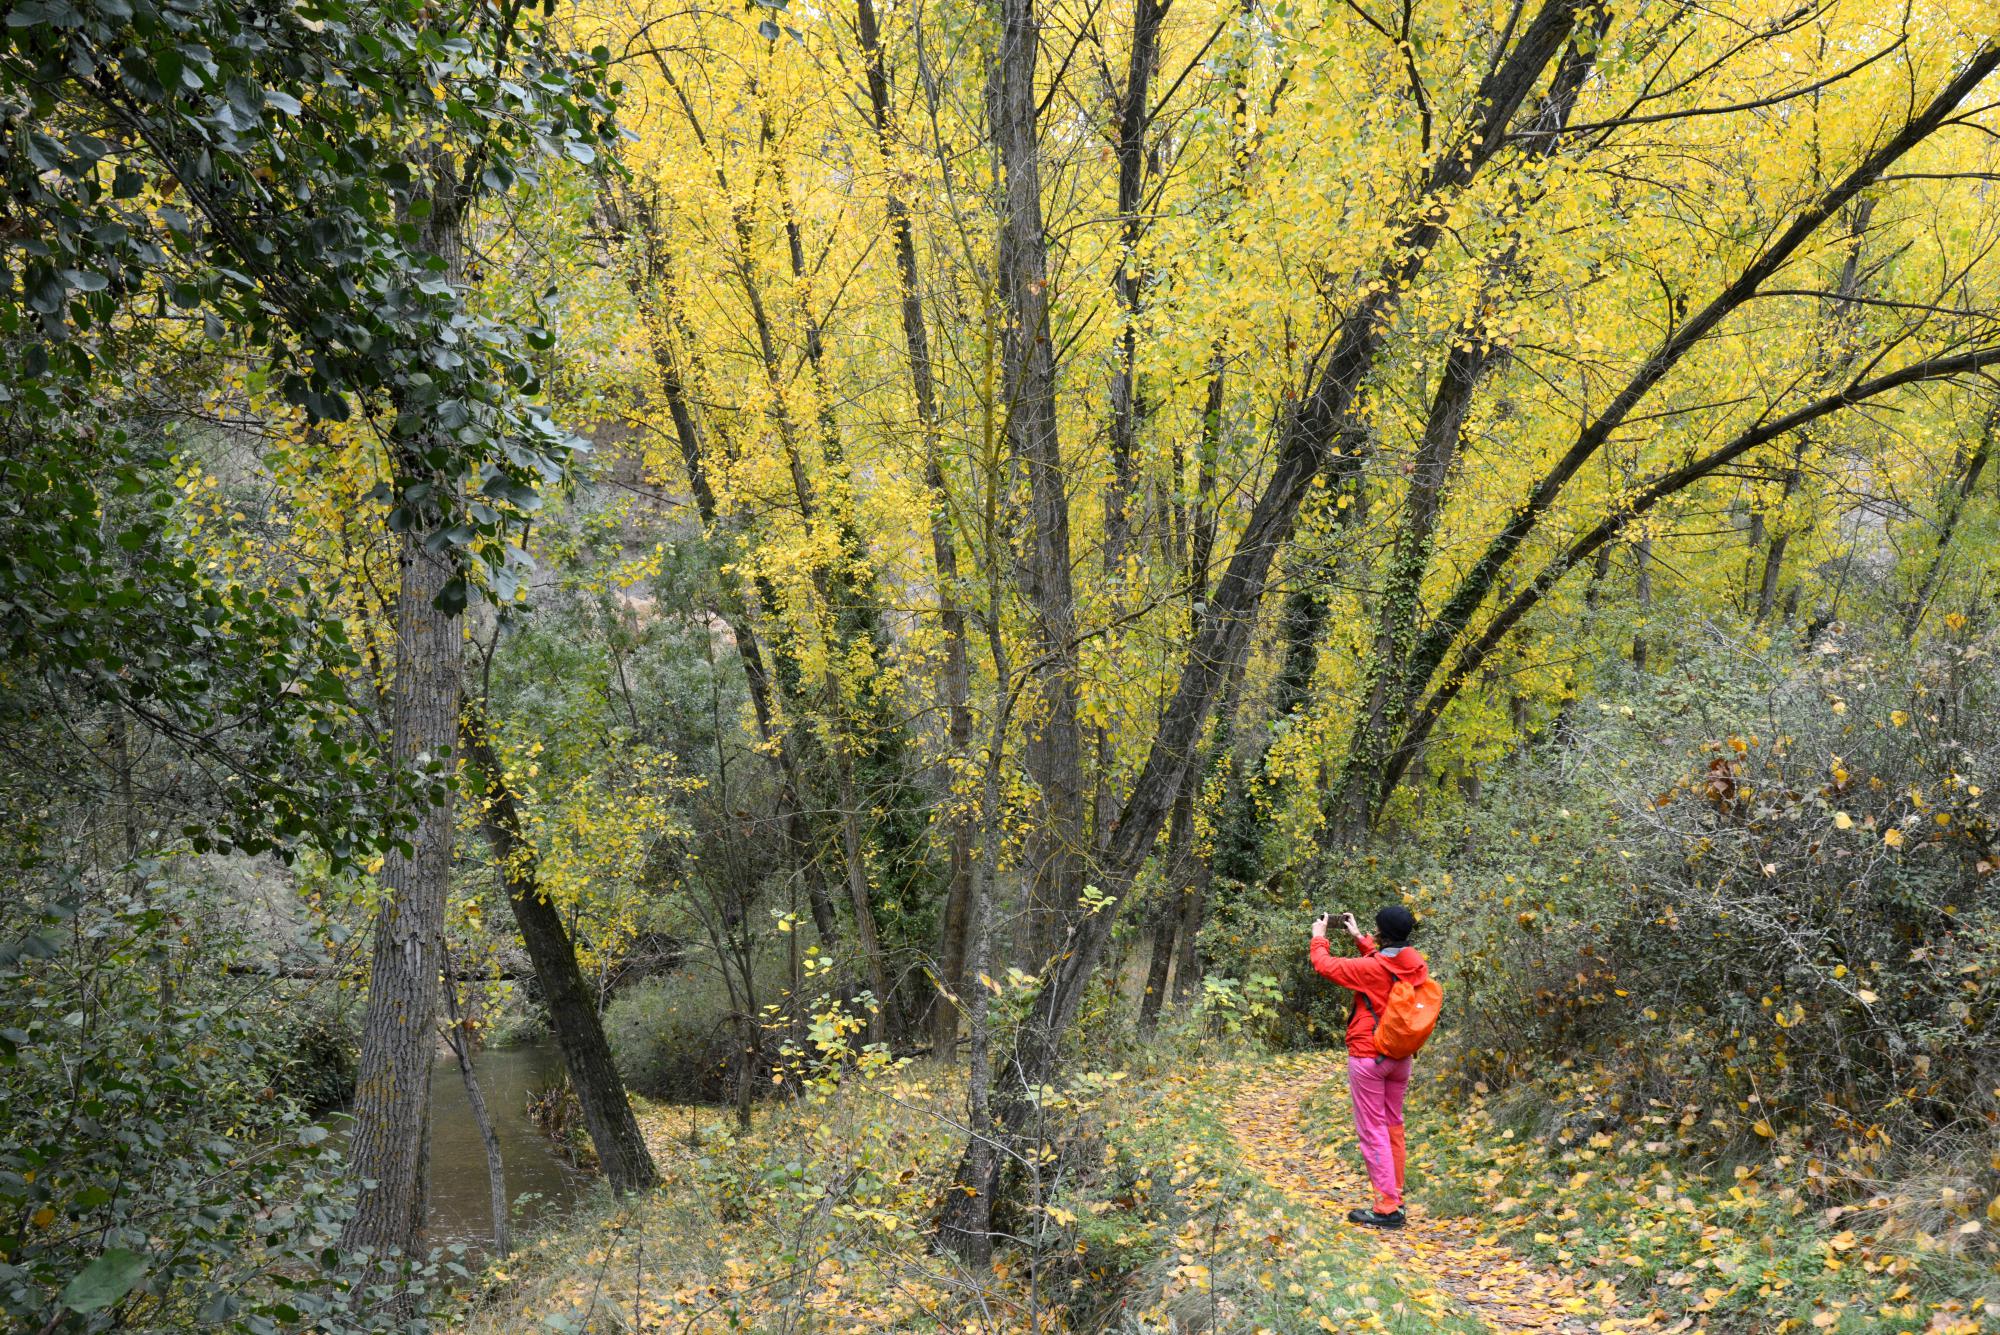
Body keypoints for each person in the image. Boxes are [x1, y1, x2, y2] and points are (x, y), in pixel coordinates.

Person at [1309, 905, 1429, 1229]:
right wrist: (1359, 937)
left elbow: (1325, 966)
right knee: (1393, 1125)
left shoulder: (1370, 970)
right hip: (1400, 1057)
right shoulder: (1415, 965)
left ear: (1381, 932)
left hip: (1368, 1056)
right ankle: (1396, 1198)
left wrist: (1319, 937)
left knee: (1372, 1129)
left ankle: (1386, 1209)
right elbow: (1386, 965)